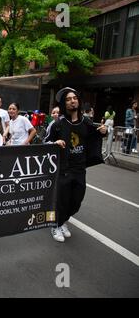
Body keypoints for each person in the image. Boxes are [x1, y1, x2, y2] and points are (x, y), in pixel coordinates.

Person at [45, 87, 107, 242]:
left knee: (76, 201)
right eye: (68, 99)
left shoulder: (86, 122)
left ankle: (63, 221)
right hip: (63, 169)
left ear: (78, 101)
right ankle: (56, 225)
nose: (72, 101)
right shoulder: (58, 124)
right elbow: (44, 141)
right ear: (64, 104)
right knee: (62, 200)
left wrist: (104, 131)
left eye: (74, 98)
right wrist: (55, 142)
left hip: (80, 169)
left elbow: (97, 132)